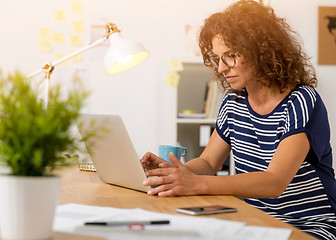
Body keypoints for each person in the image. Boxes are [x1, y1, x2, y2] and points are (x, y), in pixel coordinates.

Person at [141, 1, 336, 239]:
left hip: (309, 226)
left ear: (261, 51)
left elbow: (274, 183)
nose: (222, 68)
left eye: (230, 56)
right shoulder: (233, 102)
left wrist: (196, 184)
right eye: (218, 58)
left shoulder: (302, 101)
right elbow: (209, 163)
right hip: (254, 219)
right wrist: (173, 172)